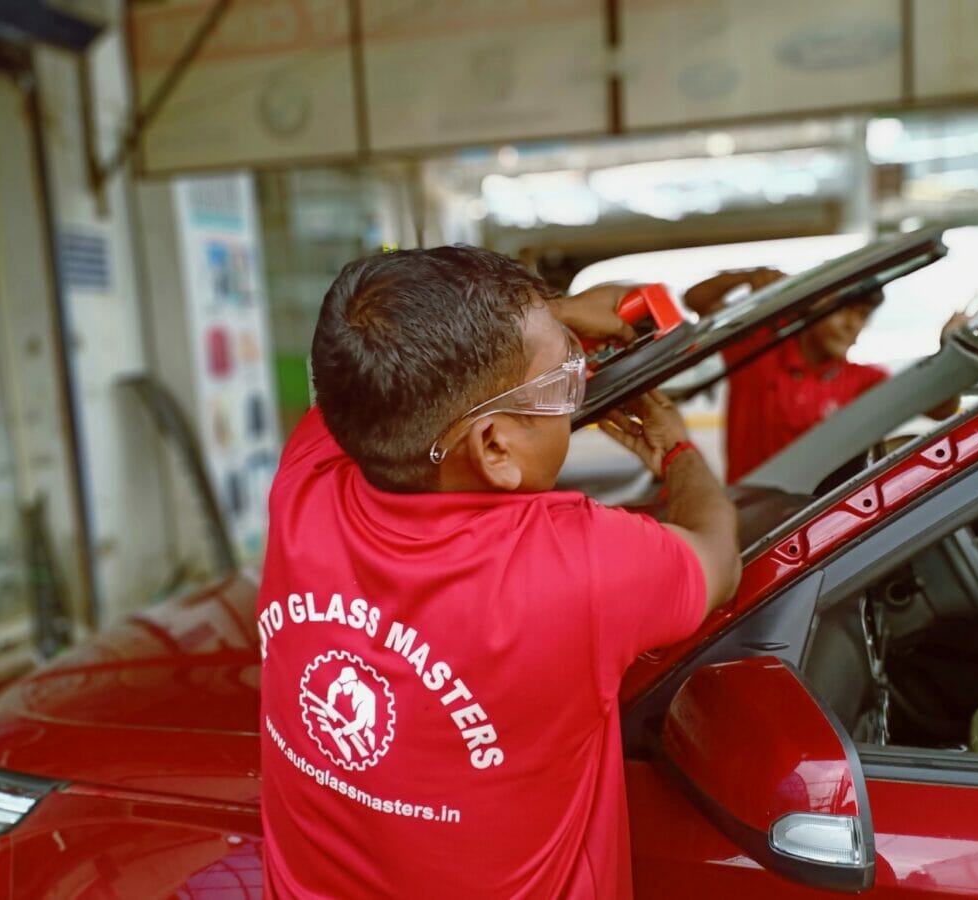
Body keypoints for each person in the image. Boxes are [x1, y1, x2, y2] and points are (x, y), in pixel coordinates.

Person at [257, 246, 740, 899]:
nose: (573, 398)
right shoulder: (585, 567)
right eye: (565, 382)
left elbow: (386, 366)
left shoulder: (306, 476)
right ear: (493, 446)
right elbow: (717, 556)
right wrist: (677, 448)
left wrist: (555, 321)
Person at [685, 267, 965, 483]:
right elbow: (696, 299)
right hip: (746, 513)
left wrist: (952, 354)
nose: (851, 325)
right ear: (816, 304)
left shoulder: (864, 380)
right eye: (845, 310)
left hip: (813, 526)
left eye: (863, 315)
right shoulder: (760, 345)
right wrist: (749, 276)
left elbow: (941, 410)